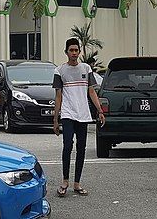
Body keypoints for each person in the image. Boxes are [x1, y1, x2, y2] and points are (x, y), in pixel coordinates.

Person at [52, 37, 106, 198]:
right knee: (67, 145)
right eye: (71, 50)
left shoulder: (86, 69)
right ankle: (65, 181)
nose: (74, 53)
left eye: (76, 50)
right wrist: (56, 119)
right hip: (68, 113)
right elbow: (58, 96)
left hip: (83, 114)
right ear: (66, 52)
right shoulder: (60, 71)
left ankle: (77, 183)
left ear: (79, 52)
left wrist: (100, 111)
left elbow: (91, 91)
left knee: (81, 148)